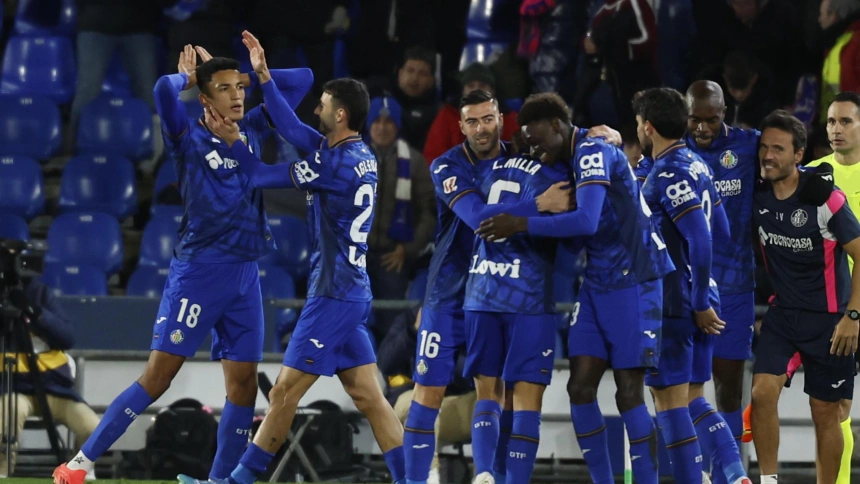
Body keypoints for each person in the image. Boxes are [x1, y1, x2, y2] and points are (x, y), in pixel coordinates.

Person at [52, 36, 315, 484]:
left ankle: (218, 481)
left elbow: (303, 80)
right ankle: (80, 464)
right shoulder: (186, 136)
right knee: (158, 377)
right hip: (198, 274)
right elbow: (161, 90)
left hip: (245, 277)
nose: (237, 96)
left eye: (239, 89)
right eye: (225, 89)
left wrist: (245, 74)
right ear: (205, 98)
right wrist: (191, 78)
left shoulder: (251, 126)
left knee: (243, 385)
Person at [189, 32, 407, 484]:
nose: (315, 110)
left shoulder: (331, 164)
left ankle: (237, 482)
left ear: (340, 115)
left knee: (284, 392)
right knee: (370, 397)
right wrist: (264, 77)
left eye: (322, 105)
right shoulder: (356, 153)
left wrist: (233, 140)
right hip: (350, 292)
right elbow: (290, 128)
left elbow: (259, 175)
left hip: (333, 296)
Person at [401, 89, 620, 484]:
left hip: (494, 289)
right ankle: (415, 481)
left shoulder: (520, 155)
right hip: (448, 294)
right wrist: (539, 205)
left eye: (488, 119)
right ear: (461, 126)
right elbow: (478, 218)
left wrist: (600, 134)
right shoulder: (446, 165)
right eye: (472, 121)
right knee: (429, 392)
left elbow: (558, 133)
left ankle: (495, 476)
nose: (481, 129)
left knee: (498, 394)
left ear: (502, 119)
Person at [475, 91, 673, 484]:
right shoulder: (569, 156)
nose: (536, 151)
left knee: (628, 393)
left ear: (557, 125)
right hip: (598, 281)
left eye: (538, 141)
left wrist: (520, 223)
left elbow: (586, 221)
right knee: (580, 388)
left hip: (635, 279)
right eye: (529, 144)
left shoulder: (592, 151)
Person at [635, 88, 747, 484]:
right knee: (694, 398)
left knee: (669, 401)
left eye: (638, 123)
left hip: (674, 301)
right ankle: (736, 474)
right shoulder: (697, 164)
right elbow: (724, 230)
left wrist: (696, 300)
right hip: (699, 292)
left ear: (648, 127)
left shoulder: (667, 173)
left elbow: (701, 237)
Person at [460, 113, 574, 484]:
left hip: (482, 291)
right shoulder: (557, 177)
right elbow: (572, 241)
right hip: (528, 297)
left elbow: (477, 216)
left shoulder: (487, 169)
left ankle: (484, 472)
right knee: (526, 402)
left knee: (487, 395)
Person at [751, 110, 860, 484]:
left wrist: (853, 317)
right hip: (784, 315)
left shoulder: (824, 199)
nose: (768, 155)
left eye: (778, 149)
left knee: (825, 411)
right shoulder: (757, 193)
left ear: (798, 155)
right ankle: (768, 481)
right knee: (762, 393)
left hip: (831, 321)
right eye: (764, 147)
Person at [683, 80, 758, 484]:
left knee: (728, 386)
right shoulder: (673, 150)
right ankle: (701, 473)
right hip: (685, 288)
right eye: (695, 119)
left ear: (724, 113)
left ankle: (728, 474)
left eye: (711, 120)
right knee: (687, 386)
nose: (702, 128)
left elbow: (784, 154)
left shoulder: (749, 146)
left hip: (734, 287)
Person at [0, 266, 99, 478]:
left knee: (92, 429)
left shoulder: (39, 292)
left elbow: (66, 337)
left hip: (53, 388)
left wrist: (34, 311)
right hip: (12, 389)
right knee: (6, 420)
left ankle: (78, 473)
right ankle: (2, 474)